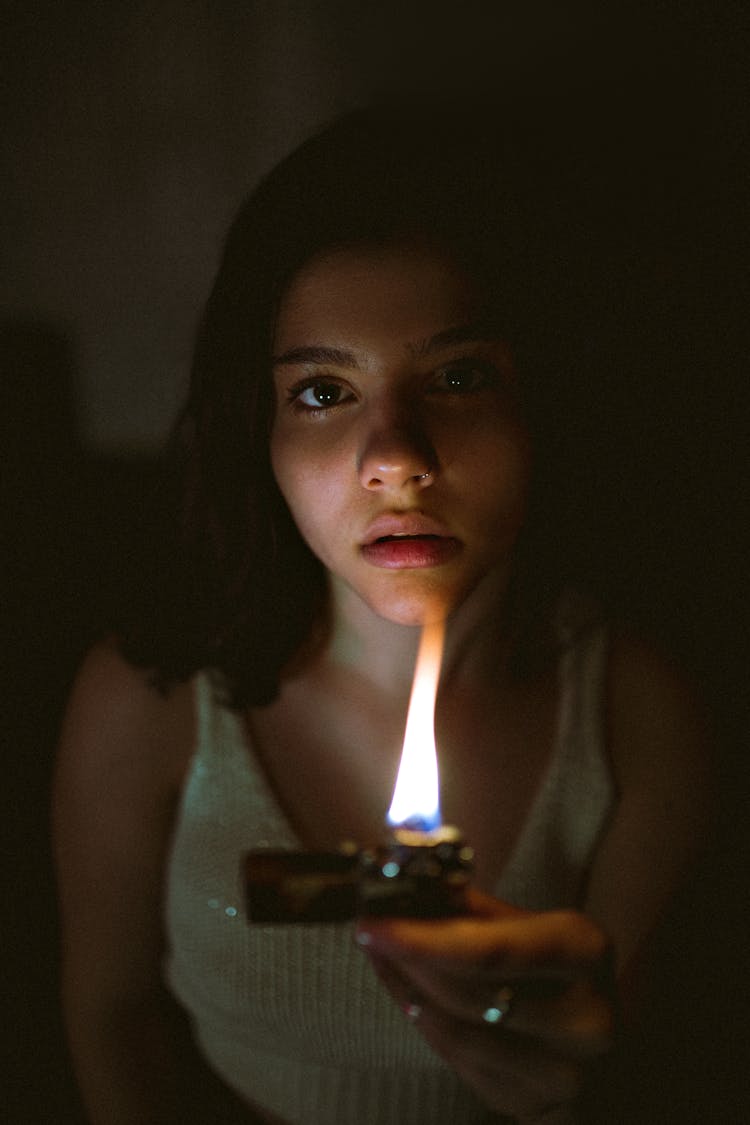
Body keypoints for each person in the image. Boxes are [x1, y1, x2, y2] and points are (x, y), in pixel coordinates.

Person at [53, 104, 710, 1124]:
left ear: (543, 402)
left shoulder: (640, 712)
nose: (394, 456)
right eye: (322, 391)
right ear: (256, 434)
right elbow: (110, 1017)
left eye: (456, 376)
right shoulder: (147, 698)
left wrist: (586, 1076)